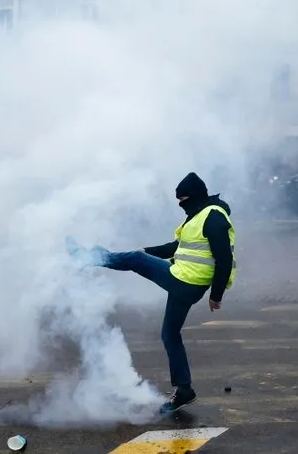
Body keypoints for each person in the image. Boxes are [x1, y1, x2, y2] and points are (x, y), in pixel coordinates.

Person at [65, 172, 236, 414]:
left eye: (183, 199)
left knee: (135, 260)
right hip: (185, 279)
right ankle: (184, 390)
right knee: (169, 334)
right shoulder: (199, 216)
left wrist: (216, 295)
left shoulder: (214, 218)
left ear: (195, 196)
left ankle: (88, 257)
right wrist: (147, 251)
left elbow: (224, 259)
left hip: (186, 281)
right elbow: (178, 247)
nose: (180, 205)